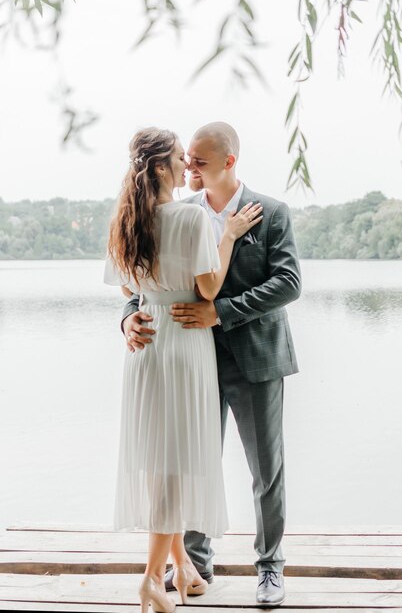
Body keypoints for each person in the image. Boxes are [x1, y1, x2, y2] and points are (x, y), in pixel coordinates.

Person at [122, 122, 301, 606]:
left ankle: (270, 567)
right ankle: (195, 563)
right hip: (190, 361)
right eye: (188, 159)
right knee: (192, 465)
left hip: (256, 360)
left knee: (266, 469)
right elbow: (146, 282)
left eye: (199, 160)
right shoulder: (177, 213)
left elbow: (288, 283)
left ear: (229, 162)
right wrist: (127, 320)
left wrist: (220, 311)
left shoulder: (272, 214)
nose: (191, 166)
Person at [104, 126, 263, 613]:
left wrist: (132, 315)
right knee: (176, 465)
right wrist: (230, 235)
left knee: (162, 460)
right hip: (185, 342)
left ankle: (186, 570)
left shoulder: (125, 221)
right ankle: (153, 578)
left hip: (147, 343)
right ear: (159, 168)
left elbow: (125, 285)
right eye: (178, 158)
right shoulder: (191, 219)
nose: (185, 166)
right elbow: (210, 288)